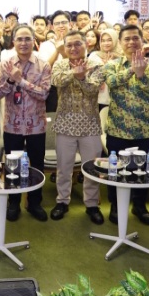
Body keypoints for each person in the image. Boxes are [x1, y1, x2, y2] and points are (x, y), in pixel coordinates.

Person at [103, 25, 149, 226]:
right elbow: (112, 82)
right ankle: (115, 205)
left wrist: (141, 74)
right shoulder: (112, 64)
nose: (131, 42)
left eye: (135, 38)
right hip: (117, 129)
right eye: (127, 39)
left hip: (145, 130)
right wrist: (132, 70)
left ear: (142, 40)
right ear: (120, 43)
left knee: (144, 170)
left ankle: (139, 206)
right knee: (115, 170)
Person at [0, 24, 51, 222]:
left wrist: (21, 82)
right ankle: (14, 203)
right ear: (13, 42)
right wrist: (11, 81)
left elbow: (44, 94)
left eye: (28, 38)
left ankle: (34, 203)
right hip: (13, 125)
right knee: (13, 165)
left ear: (34, 41)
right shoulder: (6, 64)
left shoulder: (43, 65)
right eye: (19, 39)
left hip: (36, 125)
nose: (24, 43)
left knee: (36, 164)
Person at [50, 30, 105, 224]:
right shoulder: (60, 64)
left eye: (77, 44)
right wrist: (74, 73)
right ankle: (62, 201)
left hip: (90, 125)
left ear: (86, 45)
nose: (73, 48)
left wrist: (82, 78)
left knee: (91, 168)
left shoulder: (96, 64)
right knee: (63, 168)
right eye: (69, 45)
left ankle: (91, 204)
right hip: (64, 125)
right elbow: (56, 81)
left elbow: (92, 90)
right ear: (64, 48)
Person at [88, 28, 121, 110]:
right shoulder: (94, 55)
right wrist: (105, 66)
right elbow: (89, 75)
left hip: (116, 99)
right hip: (97, 97)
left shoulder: (121, 57)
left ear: (115, 40)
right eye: (103, 40)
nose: (106, 43)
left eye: (109, 40)